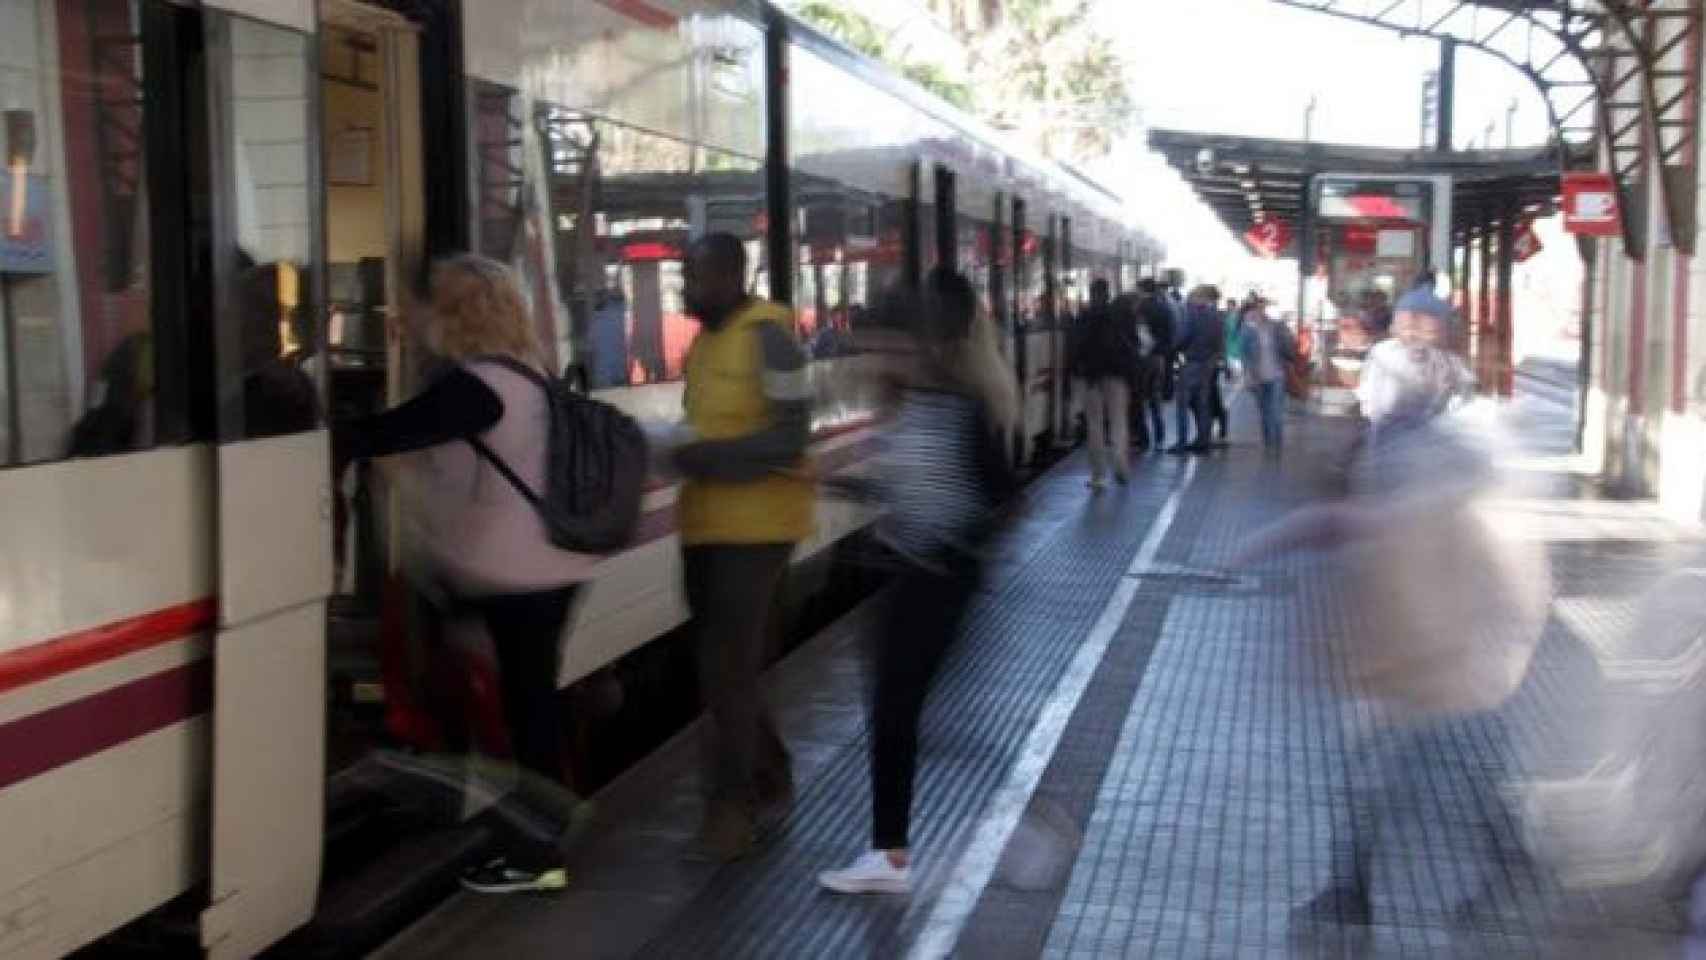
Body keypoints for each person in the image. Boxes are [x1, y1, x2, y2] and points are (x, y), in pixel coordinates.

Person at [332, 253, 599, 895]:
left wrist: (317, 436)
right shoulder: (524, 376)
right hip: (541, 572)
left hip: (515, 578)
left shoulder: (477, 387)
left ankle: (540, 853)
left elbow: (381, 433)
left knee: (523, 708)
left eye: (436, 305)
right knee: (523, 702)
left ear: (459, 314)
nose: (423, 317)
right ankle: (535, 828)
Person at [818, 268, 1018, 896]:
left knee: (895, 713)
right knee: (894, 712)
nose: (877, 354)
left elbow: (991, 496)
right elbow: (934, 487)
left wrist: (942, 546)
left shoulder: (950, 403)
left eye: (888, 342)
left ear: (921, 341)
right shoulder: (945, 398)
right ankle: (889, 852)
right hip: (927, 573)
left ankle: (891, 855)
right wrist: (847, 488)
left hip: (933, 578)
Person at [670, 232, 814, 861]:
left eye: (694, 276)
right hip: (703, 526)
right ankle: (771, 773)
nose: (685, 287)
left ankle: (731, 811)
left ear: (731, 276)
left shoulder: (770, 338)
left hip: (758, 531)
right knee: (722, 668)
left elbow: (790, 438)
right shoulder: (705, 345)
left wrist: (703, 456)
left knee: (725, 670)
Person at [1355, 286, 1473, 451]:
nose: (1413, 333)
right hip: (1400, 440)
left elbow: (1462, 398)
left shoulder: (1447, 361)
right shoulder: (1384, 353)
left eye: (1424, 327)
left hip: (1424, 443)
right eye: (1408, 325)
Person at [1069, 278, 1136, 488]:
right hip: (1117, 376)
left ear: (1091, 293)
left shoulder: (1084, 316)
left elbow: (1076, 347)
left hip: (1091, 378)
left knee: (1095, 425)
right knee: (1118, 422)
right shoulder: (1122, 315)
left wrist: (1078, 372)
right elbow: (1133, 344)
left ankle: (1098, 476)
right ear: (1109, 293)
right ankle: (1120, 464)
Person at [1169, 285, 1223, 454]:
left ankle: (1182, 442)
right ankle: (1203, 440)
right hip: (1207, 364)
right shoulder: (1215, 316)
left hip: (1191, 362)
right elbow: (1219, 341)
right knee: (1202, 403)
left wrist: (1175, 348)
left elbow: (1183, 335)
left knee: (1182, 404)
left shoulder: (1190, 313)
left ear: (1197, 297)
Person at [1240, 299, 1296, 456]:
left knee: (1276, 411)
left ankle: (1276, 444)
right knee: (1264, 411)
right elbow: (1244, 354)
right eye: (1258, 309)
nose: (1260, 312)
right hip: (1258, 377)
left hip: (1277, 374)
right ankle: (1268, 442)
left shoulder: (1277, 327)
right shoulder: (1248, 330)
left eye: (1263, 309)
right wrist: (1248, 375)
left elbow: (1289, 347)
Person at [1132, 279, 1174, 451]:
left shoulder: (1140, 309)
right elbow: (1172, 332)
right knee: (1156, 397)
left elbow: (1138, 334)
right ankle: (1160, 435)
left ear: (1142, 290)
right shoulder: (1165, 308)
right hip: (1160, 358)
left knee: (1139, 398)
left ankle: (1143, 438)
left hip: (1144, 358)